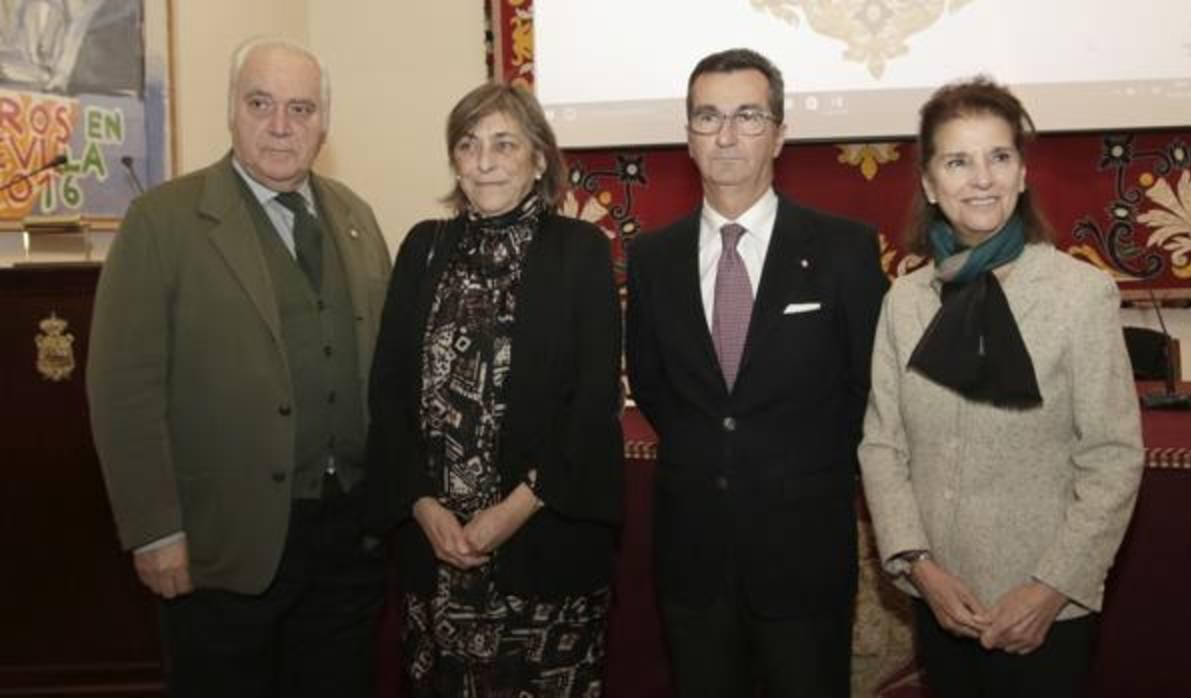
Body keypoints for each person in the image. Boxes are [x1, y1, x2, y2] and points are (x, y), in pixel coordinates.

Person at [87, 37, 391, 698]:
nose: (282, 126)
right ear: (232, 111)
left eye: (301, 108)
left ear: (323, 124)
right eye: (262, 103)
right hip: (221, 544)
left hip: (346, 542)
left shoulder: (356, 217)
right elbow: (122, 389)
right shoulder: (162, 222)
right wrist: (155, 529)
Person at [858, 76, 1145, 698]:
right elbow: (883, 446)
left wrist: (1050, 588)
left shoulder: (1080, 296)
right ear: (931, 186)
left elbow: (1113, 458)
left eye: (999, 157)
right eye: (958, 161)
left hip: (1046, 612)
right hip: (941, 606)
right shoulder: (904, 302)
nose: (981, 178)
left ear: (1022, 175)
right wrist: (921, 569)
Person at [624, 48, 889, 697]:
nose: (726, 134)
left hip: (804, 556)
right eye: (707, 117)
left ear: (779, 132)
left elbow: (870, 392)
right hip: (694, 560)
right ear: (687, 138)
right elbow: (659, 391)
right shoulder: (652, 259)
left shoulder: (844, 249)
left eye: (747, 115)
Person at [365, 81, 624, 697]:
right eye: (468, 144)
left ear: (539, 160)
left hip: (544, 549)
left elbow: (592, 404)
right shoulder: (423, 248)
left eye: (504, 144)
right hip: (437, 556)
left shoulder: (580, 251)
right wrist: (424, 508)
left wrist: (508, 515)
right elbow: (388, 392)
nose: (484, 161)